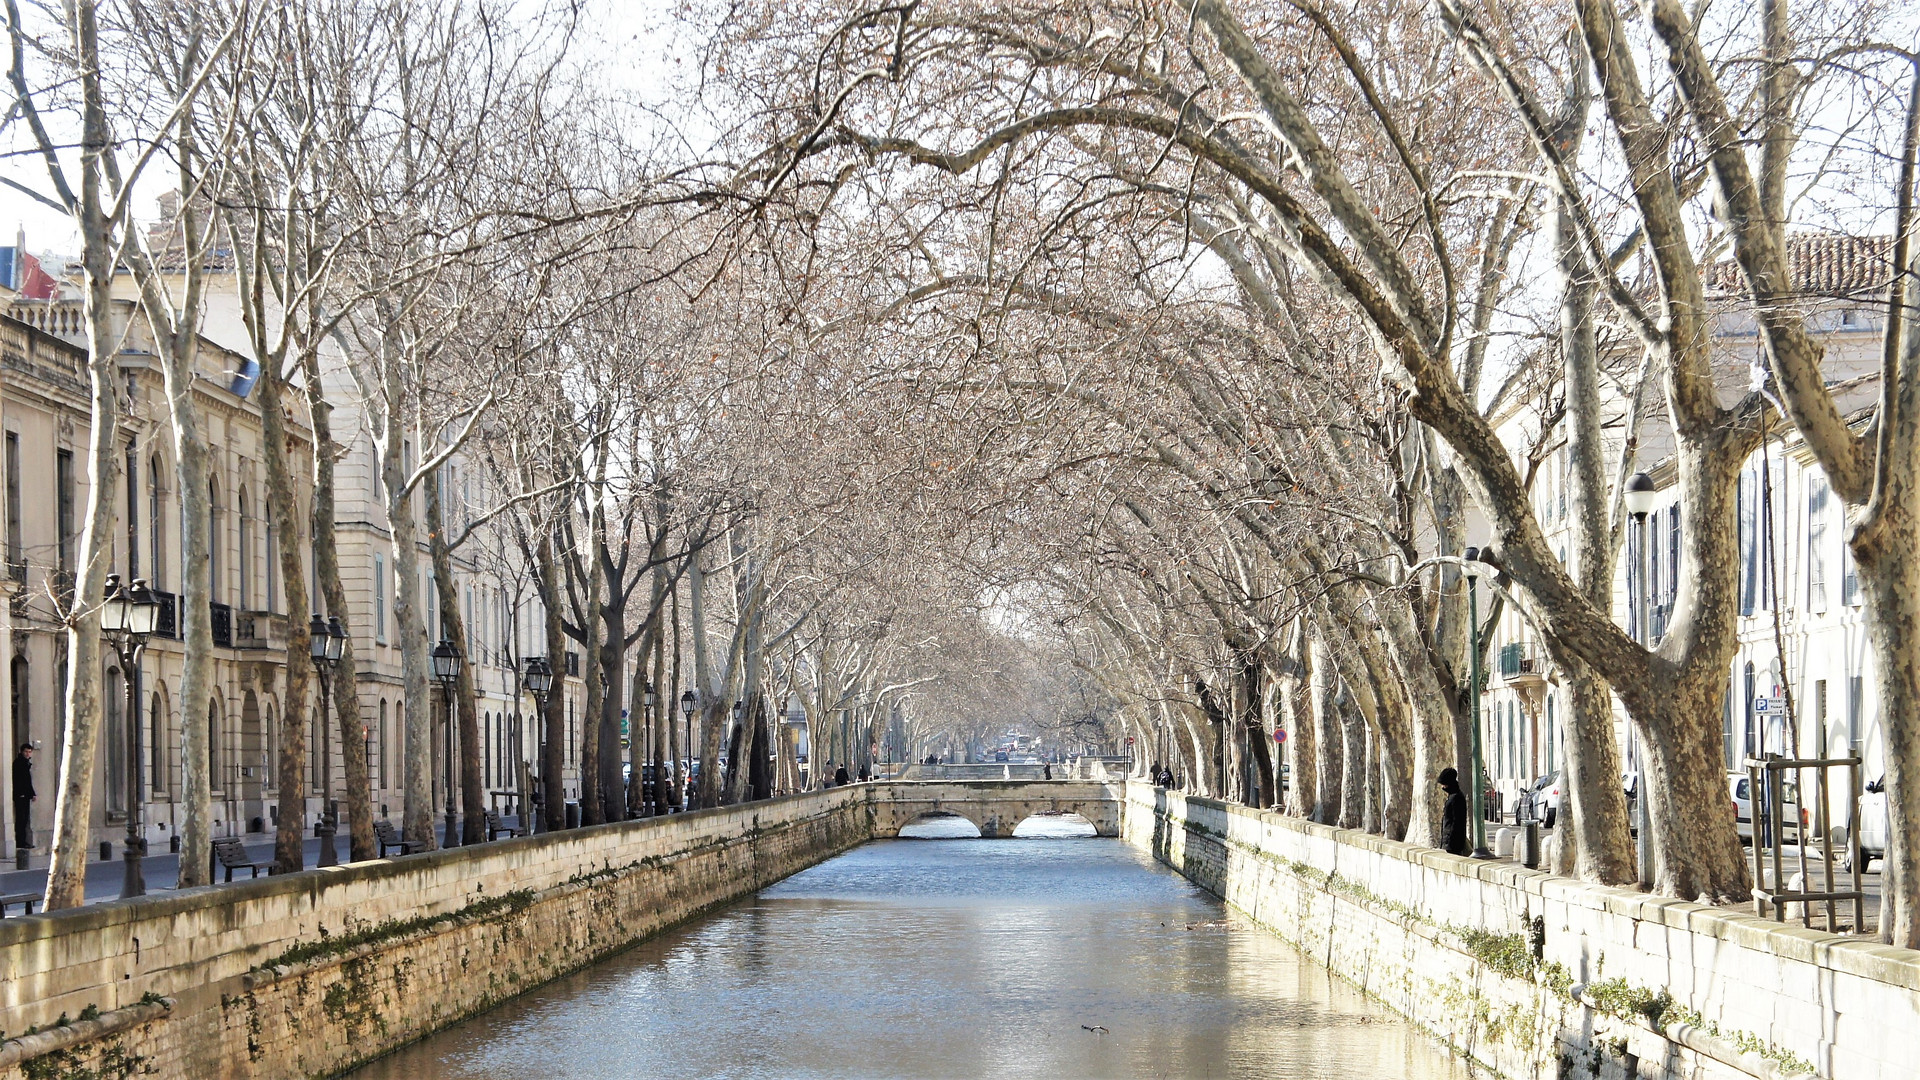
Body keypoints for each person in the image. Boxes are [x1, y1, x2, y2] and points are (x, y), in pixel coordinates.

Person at [1438, 767, 1469, 856]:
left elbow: (1457, 821)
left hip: (1453, 843)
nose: (1443, 787)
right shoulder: (1453, 796)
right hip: (1449, 841)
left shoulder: (1456, 798)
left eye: (1444, 784)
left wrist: (1450, 842)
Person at [11, 743, 33, 851]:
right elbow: (20, 781)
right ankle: (20, 842)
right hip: (20, 795)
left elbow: (28, 781)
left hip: (25, 795)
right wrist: (22, 793)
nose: (28, 754)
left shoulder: (26, 763)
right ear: (21, 752)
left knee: (24, 819)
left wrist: (32, 793)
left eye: (29, 752)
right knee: (21, 819)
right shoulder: (19, 763)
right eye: (26, 751)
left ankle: (23, 841)